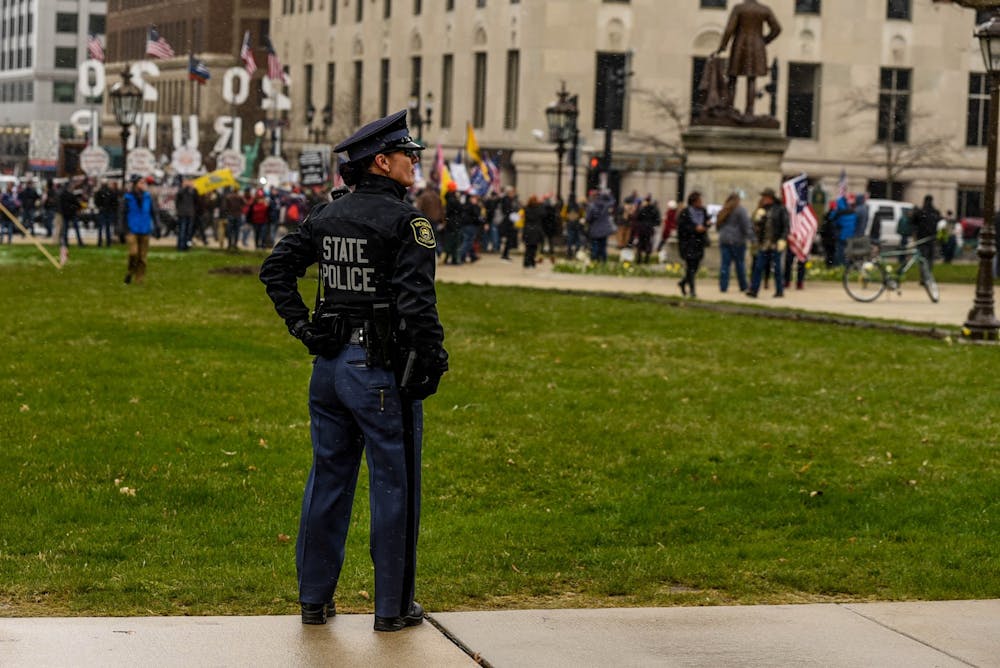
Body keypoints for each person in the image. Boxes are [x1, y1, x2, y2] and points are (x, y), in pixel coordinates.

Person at [259, 109, 447, 633]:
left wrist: (302, 326)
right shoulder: (407, 222)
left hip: (330, 368)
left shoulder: (326, 217)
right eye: (408, 154)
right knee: (394, 487)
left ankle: (314, 600)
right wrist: (432, 360)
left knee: (328, 481)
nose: (415, 160)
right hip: (380, 372)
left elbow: (275, 269)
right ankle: (392, 607)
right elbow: (417, 304)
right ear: (381, 163)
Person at [715, 0, 782, 118]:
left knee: (732, 78)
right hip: (757, 47)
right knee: (752, 79)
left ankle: (729, 108)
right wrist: (764, 40)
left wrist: (723, 46)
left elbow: (729, 29)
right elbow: (776, 29)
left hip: (740, 45)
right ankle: (749, 111)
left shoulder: (739, 8)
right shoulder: (764, 9)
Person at [747, 187, 790, 298]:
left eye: (765, 197)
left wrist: (783, 239)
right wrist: (758, 220)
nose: (763, 199)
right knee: (758, 267)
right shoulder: (763, 209)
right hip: (764, 244)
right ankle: (754, 290)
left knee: (777, 269)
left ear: (770, 198)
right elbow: (758, 227)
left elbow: (785, 226)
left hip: (775, 243)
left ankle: (779, 291)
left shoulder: (780, 209)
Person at [122, 176, 157, 284]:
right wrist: (121, 228)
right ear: (135, 184)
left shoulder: (148, 197)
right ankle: (130, 271)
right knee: (133, 253)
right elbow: (122, 213)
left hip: (145, 228)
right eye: (141, 182)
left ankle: (139, 279)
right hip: (132, 229)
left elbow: (154, 212)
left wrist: (157, 225)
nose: (144, 185)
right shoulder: (127, 198)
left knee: (142, 257)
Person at [716, 192, 753, 293]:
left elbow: (718, 226)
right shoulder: (740, 210)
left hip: (724, 239)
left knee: (725, 264)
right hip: (737, 240)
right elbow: (746, 226)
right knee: (739, 264)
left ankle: (723, 286)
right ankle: (743, 285)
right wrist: (752, 238)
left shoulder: (724, 210)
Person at [676, 191, 709, 297]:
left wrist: (706, 225)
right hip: (688, 243)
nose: (701, 203)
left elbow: (706, 223)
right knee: (690, 266)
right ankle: (692, 290)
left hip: (699, 243)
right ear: (693, 202)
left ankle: (683, 282)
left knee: (695, 267)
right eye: (699, 201)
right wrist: (694, 228)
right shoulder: (685, 213)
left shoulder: (703, 211)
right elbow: (682, 228)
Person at [911, 194, 941, 270]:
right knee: (930, 258)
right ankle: (928, 275)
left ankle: (923, 276)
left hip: (922, 238)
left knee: (922, 258)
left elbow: (913, 222)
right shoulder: (935, 212)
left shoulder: (920, 212)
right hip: (931, 238)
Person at [585, 189, 616, 263]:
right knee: (603, 247)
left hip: (595, 230)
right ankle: (603, 262)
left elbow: (588, 218)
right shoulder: (605, 204)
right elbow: (613, 201)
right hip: (604, 230)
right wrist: (607, 194)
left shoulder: (592, 206)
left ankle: (594, 261)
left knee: (595, 247)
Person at [631, 195, 661, 264]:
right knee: (647, 244)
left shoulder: (643, 209)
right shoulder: (653, 209)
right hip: (648, 229)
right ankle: (645, 260)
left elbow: (637, 218)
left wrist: (640, 225)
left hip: (643, 229)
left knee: (641, 244)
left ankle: (640, 259)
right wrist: (652, 225)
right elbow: (657, 221)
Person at [521, 195, 546, 268]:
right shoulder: (538, 209)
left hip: (528, 230)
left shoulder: (526, 208)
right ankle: (531, 262)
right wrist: (541, 203)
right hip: (536, 230)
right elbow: (544, 214)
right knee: (534, 248)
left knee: (528, 248)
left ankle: (526, 262)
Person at [94, 180, 119, 247]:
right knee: (107, 228)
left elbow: (96, 201)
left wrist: (100, 207)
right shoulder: (110, 192)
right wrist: (112, 208)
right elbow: (115, 202)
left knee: (101, 228)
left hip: (102, 211)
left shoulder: (99, 192)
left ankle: (100, 242)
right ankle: (108, 243)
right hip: (108, 211)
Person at [174, 178, 197, 251]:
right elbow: (178, 197)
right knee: (182, 230)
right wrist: (185, 187)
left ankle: (187, 246)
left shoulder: (192, 191)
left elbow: (196, 199)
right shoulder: (181, 191)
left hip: (190, 214)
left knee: (189, 231)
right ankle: (180, 246)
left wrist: (193, 188)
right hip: (182, 214)